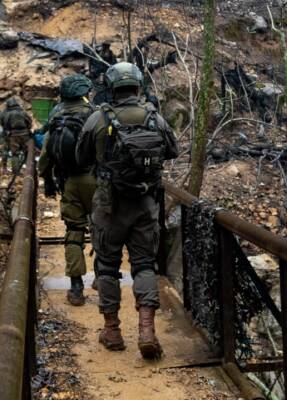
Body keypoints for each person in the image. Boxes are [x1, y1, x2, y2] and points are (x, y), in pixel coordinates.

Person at [76, 62, 178, 359]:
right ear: (138, 86)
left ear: (111, 87)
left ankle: (112, 331)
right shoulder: (154, 117)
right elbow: (173, 151)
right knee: (145, 265)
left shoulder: (98, 118)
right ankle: (147, 331)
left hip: (109, 206)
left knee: (107, 267)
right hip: (145, 204)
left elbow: (80, 158)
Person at [39, 74, 96, 306]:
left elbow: (45, 157)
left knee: (74, 231)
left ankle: (76, 287)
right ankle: (104, 277)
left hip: (69, 182)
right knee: (102, 228)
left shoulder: (56, 116)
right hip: (95, 180)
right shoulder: (95, 114)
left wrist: (47, 179)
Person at [0, 98, 33, 174]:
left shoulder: (6, 113)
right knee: (27, 152)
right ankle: (28, 171)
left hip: (12, 135)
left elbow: (3, 124)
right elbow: (29, 122)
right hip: (25, 135)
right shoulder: (22, 112)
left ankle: (15, 171)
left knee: (14, 154)